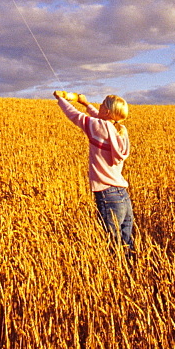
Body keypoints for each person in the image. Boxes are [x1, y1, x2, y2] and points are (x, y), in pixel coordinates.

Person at [54, 90, 134, 258]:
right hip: (123, 196)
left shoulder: (99, 127)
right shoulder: (119, 130)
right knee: (126, 244)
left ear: (108, 112)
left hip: (107, 194)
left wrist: (61, 99)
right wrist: (86, 104)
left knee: (112, 245)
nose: (100, 105)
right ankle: (131, 275)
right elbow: (100, 120)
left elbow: (76, 116)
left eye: (103, 104)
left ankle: (116, 277)